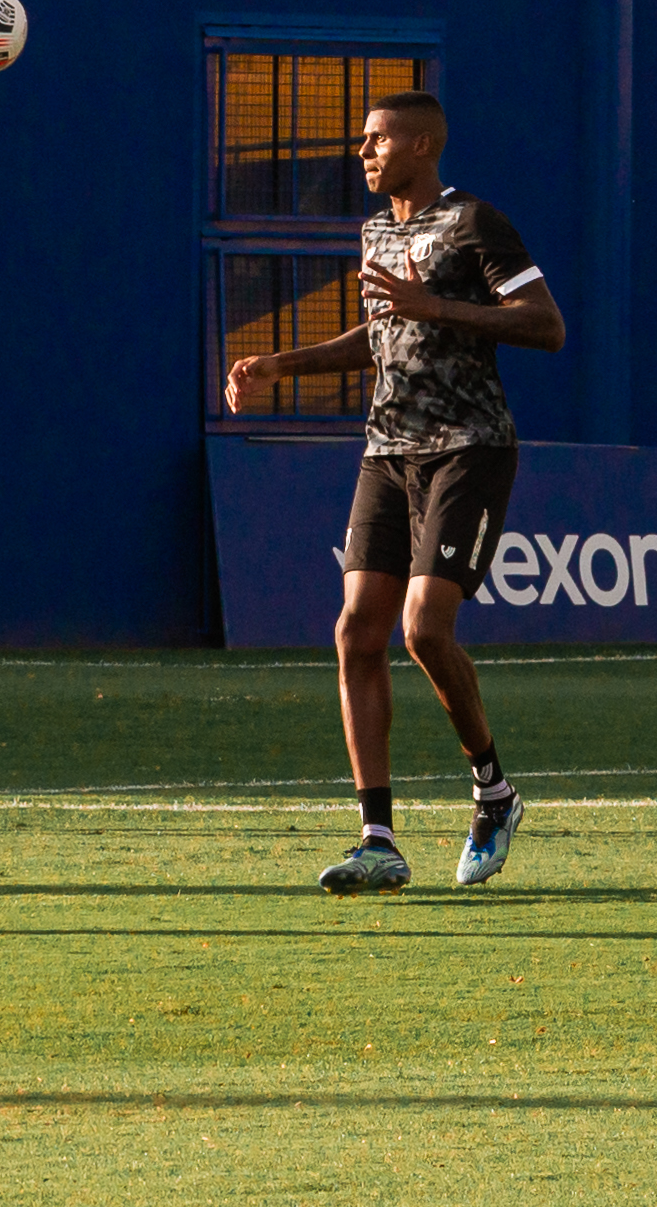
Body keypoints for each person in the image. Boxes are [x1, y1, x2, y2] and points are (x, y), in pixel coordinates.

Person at [217, 92, 564, 894]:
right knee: (355, 631)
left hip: (468, 449)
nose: (362, 151)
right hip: (386, 451)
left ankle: (493, 792)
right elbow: (379, 336)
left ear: (421, 142)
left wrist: (437, 305)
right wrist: (279, 365)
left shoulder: (476, 223)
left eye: (376, 139)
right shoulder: (377, 230)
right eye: (363, 140)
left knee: (423, 632)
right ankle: (379, 840)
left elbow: (545, 325)